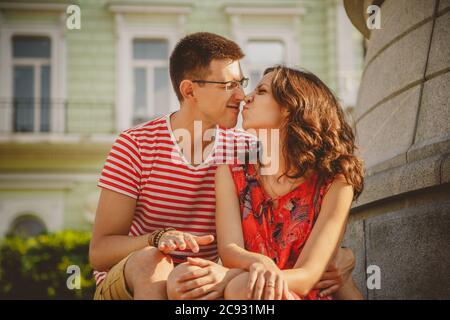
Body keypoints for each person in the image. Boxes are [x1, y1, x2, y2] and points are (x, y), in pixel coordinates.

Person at [89, 32, 359, 300]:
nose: (242, 95)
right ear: (190, 90)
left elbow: (299, 189)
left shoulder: (245, 150)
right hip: (128, 282)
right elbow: (99, 253)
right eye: (229, 86)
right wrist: (157, 238)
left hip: (197, 282)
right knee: (153, 261)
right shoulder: (135, 145)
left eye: (242, 83)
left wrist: (342, 256)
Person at [214, 66, 365, 300]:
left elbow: (307, 277)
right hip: (252, 289)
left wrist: (237, 281)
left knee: (242, 287)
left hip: (302, 295)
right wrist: (259, 263)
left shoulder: (335, 180)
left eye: (261, 91)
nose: (246, 97)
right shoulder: (231, 171)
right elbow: (229, 250)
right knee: (239, 287)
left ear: (290, 107)